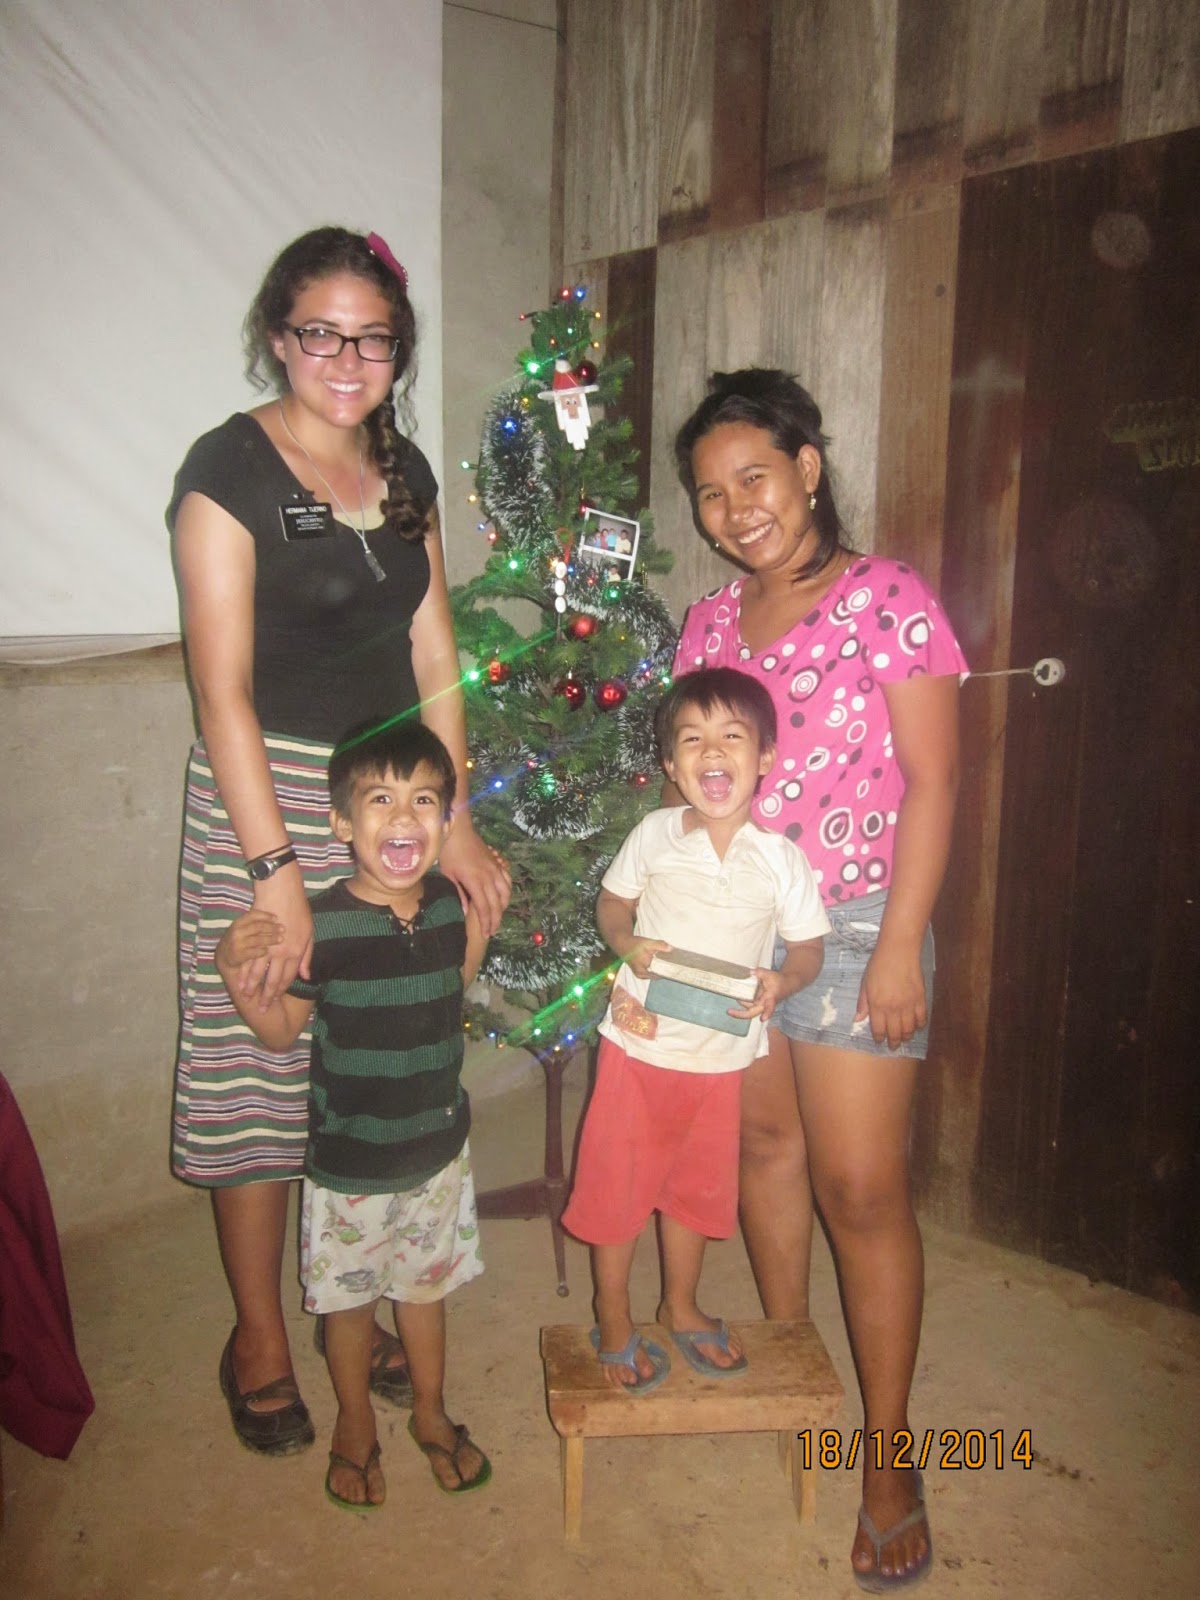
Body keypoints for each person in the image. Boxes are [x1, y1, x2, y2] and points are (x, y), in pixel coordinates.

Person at [168, 226, 510, 1457]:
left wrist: (451, 815)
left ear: (398, 350)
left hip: (395, 800)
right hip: (264, 794)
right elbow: (222, 695)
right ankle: (262, 1333)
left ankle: (372, 1290)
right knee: (255, 1066)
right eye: (322, 332)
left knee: (384, 1049)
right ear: (280, 336)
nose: (348, 359)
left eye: (374, 338)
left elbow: (434, 648)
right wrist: (277, 876)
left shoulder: (402, 469)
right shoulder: (228, 468)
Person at [672, 370, 967, 1591]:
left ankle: (890, 1456)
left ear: (807, 467)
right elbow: (695, 788)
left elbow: (934, 782)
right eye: (710, 493)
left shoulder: (888, 597)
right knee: (764, 1150)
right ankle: (794, 1362)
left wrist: (900, 944)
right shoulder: (706, 624)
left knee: (860, 1186)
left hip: (853, 926)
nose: (736, 509)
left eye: (755, 476)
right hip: (734, 932)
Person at [215, 720, 491, 1508]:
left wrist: (480, 921)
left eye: (424, 801)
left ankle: (431, 1413)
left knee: (425, 1297)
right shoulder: (322, 925)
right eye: (380, 801)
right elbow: (280, 1031)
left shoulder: (447, 905)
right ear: (341, 823)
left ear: (444, 821)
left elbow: (456, 981)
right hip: (351, 1170)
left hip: (437, 1154)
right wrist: (236, 972)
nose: (404, 818)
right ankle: (355, 1423)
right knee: (350, 1307)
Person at [561, 668, 829, 1392]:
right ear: (673, 767)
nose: (712, 752)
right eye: (692, 740)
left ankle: (679, 1304)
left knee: (694, 1191)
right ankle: (612, 1315)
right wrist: (626, 944)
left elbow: (807, 949)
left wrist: (785, 981)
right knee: (618, 1188)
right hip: (638, 1048)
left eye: (732, 737)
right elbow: (613, 905)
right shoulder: (654, 835)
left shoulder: (781, 860)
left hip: (719, 1062)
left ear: (765, 757)